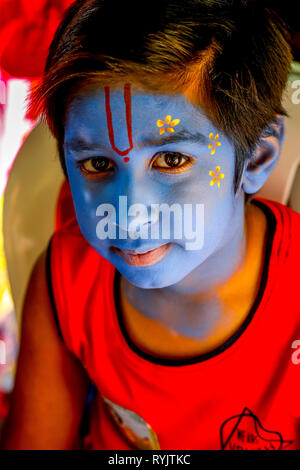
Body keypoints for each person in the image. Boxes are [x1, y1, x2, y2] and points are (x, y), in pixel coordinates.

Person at [1, 0, 300, 450]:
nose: (130, 213)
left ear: (256, 156)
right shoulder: (67, 276)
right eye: (97, 163)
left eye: (172, 159)